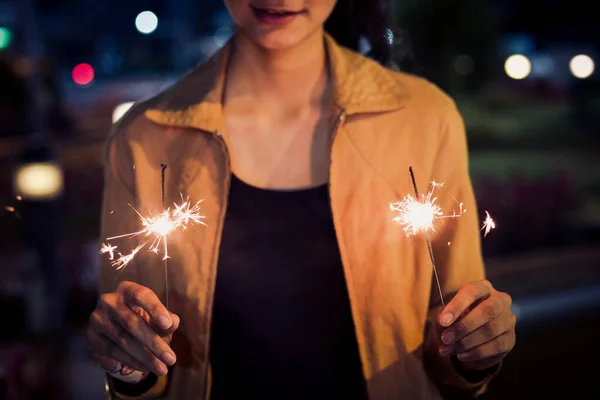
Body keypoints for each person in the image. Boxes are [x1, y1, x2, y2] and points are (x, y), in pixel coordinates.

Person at [87, 1, 517, 399]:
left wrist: (476, 346)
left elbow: (456, 332)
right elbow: (136, 351)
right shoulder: (144, 138)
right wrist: (128, 363)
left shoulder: (423, 118)